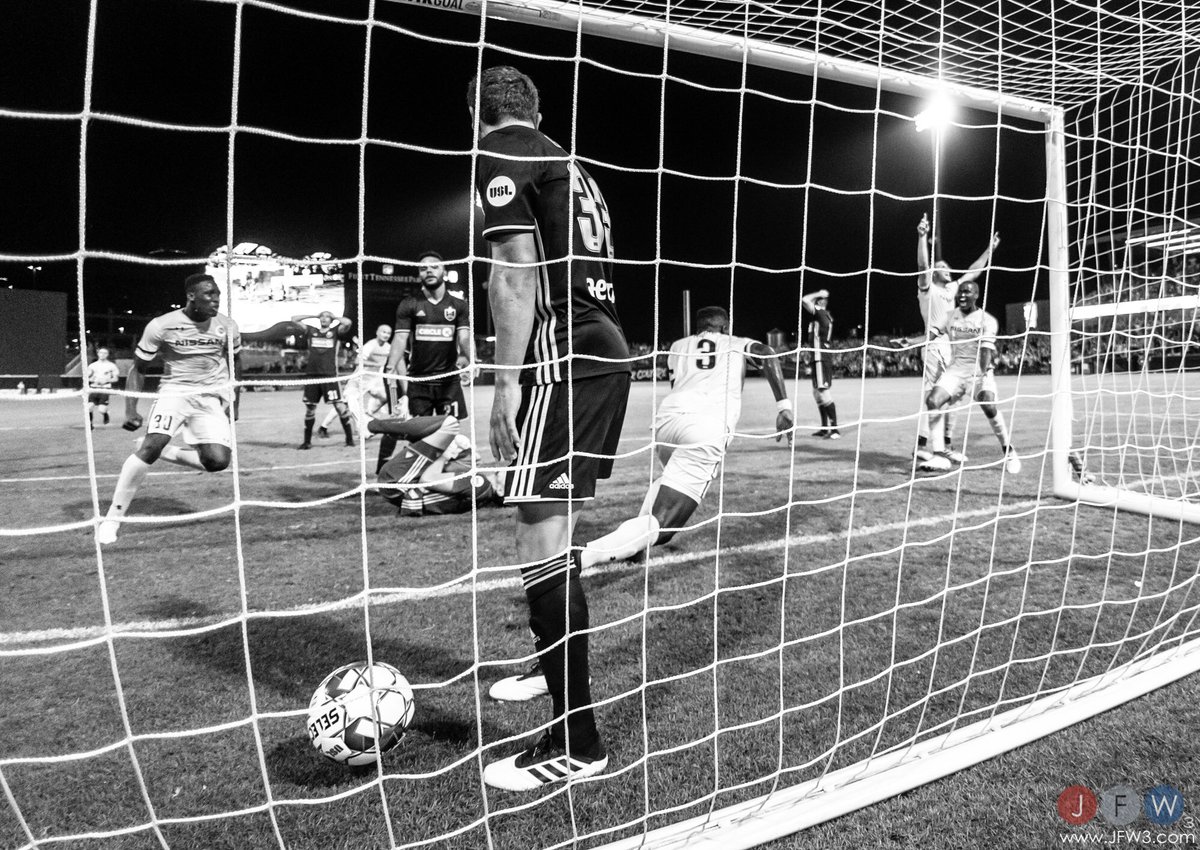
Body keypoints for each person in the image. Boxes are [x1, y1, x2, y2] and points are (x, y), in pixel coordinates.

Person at [488, 306, 793, 703]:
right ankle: (583, 556)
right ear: (724, 326)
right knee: (663, 525)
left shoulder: (679, 345)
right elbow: (766, 353)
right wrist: (783, 405)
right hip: (706, 428)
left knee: (660, 500)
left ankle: (631, 549)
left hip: (667, 425)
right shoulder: (736, 342)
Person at [469, 65, 631, 791]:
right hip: (604, 345)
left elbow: (514, 272)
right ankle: (550, 675)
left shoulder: (503, 153)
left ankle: (577, 742)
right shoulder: (569, 163)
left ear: (477, 116)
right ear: (535, 110)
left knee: (539, 532)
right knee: (551, 528)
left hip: (561, 354)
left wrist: (505, 382)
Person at [97, 274, 242, 544]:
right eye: (209, 294)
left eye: (218, 294)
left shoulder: (227, 326)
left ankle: (167, 450)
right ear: (191, 296)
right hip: (175, 392)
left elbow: (237, 363)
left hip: (210, 396)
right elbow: (139, 368)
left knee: (217, 462)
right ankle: (112, 519)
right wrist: (131, 409)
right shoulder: (161, 325)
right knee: (150, 447)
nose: (215, 300)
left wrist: (234, 403)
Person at [913, 214, 1000, 462]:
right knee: (934, 395)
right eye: (942, 266)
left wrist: (989, 250)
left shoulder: (953, 289)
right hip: (933, 346)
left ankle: (944, 445)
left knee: (952, 397)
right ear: (935, 273)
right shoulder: (928, 289)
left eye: (947, 267)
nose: (947, 268)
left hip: (953, 347)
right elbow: (922, 266)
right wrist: (922, 237)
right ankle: (924, 447)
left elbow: (974, 271)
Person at [377, 251, 473, 468]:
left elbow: (465, 337)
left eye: (434, 267)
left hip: (448, 381)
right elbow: (400, 338)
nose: (428, 271)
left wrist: (472, 359)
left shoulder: (459, 305)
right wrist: (391, 367)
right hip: (419, 381)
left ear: (444, 271)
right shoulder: (409, 304)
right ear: (419, 274)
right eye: (423, 268)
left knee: (450, 431)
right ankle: (414, 475)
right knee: (418, 435)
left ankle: (441, 474)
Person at [918, 280, 1021, 474]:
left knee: (989, 406)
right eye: (960, 292)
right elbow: (929, 336)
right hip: (956, 371)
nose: (962, 295)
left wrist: (981, 374)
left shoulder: (987, 320)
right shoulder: (950, 316)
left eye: (967, 292)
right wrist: (909, 342)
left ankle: (1009, 451)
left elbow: (986, 351)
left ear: (976, 295)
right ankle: (939, 455)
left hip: (979, 371)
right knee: (933, 400)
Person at [370, 415, 503, 515]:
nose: (510, 470)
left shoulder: (480, 483)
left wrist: (447, 453)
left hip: (399, 483)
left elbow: (428, 479)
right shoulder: (483, 490)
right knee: (442, 435)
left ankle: (371, 425)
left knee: (450, 425)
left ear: (501, 490)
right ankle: (399, 427)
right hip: (401, 488)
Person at [319, 323, 392, 439]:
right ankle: (324, 426)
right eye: (384, 332)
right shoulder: (370, 345)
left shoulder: (389, 347)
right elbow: (357, 361)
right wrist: (376, 364)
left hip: (374, 381)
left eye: (388, 333)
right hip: (360, 380)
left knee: (385, 397)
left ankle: (368, 415)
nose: (386, 335)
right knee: (344, 404)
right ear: (377, 333)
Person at [297, 311, 355, 450]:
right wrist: (313, 315)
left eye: (327, 317)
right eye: (322, 316)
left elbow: (348, 322)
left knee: (339, 406)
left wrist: (334, 317)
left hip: (329, 375)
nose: (324, 318)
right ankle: (307, 442)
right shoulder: (312, 331)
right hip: (312, 375)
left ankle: (349, 439)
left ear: (331, 320)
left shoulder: (335, 332)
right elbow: (294, 319)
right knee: (310, 408)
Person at [801, 289, 840, 438]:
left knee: (823, 393)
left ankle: (835, 430)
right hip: (818, 358)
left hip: (820, 358)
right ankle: (824, 428)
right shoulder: (823, 316)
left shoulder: (820, 313)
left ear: (820, 302)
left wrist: (818, 293)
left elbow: (805, 300)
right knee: (817, 393)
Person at [85, 347, 121, 429]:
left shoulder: (111, 366)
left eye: (105, 353)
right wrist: (93, 380)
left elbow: (115, 379)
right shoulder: (92, 365)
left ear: (107, 355)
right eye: (101, 353)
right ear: (98, 354)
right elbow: (87, 377)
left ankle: (105, 414)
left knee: (101, 410)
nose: (102, 355)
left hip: (105, 389)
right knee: (89, 407)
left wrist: (106, 380)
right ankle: (90, 424)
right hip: (94, 388)